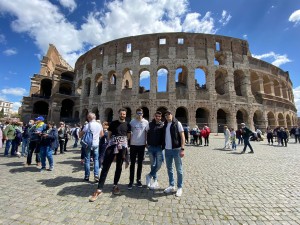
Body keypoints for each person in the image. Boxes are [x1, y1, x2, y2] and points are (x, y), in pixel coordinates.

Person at [89, 108, 131, 202]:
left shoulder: (128, 125)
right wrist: (112, 143)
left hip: (122, 147)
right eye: (121, 114)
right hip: (112, 146)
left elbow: (128, 136)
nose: (123, 115)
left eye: (124, 114)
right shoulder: (113, 123)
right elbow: (109, 134)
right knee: (105, 167)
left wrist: (123, 144)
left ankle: (115, 185)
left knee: (119, 167)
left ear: (125, 115)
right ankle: (99, 189)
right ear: (118, 114)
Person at [163, 110, 185, 197]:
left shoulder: (177, 123)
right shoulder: (165, 125)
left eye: (169, 114)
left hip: (176, 149)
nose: (167, 116)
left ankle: (180, 187)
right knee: (169, 169)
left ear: (172, 115)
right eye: (166, 115)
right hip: (167, 149)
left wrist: (182, 148)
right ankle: (171, 185)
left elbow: (182, 136)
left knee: (179, 169)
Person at [79, 113, 103, 182]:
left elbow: (80, 135)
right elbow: (101, 135)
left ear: (88, 118)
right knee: (96, 160)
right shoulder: (99, 125)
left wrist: (80, 132)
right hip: (96, 144)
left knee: (87, 160)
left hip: (88, 144)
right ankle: (96, 175)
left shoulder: (87, 125)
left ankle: (87, 176)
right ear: (95, 117)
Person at [128, 108, 149, 189]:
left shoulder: (146, 122)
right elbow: (129, 132)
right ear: (136, 113)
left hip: (142, 145)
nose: (139, 114)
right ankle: (131, 181)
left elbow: (147, 133)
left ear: (142, 114)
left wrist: (146, 142)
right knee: (132, 164)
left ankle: (138, 180)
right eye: (138, 113)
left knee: (140, 164)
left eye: (140, 113)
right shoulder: (132, 122)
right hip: (133, 144)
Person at [145, 111, 164, 189]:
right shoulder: (149, 124)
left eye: (159, 116)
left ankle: (149, 175)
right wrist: (146, 143)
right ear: (154, 116)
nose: (158, 118)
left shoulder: (163, 125)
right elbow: (145, 133)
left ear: (161, 117)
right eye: (156, 116)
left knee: (159, 164)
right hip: (151, 147)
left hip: (159, 147)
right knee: (153, 164)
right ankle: (155, 180)